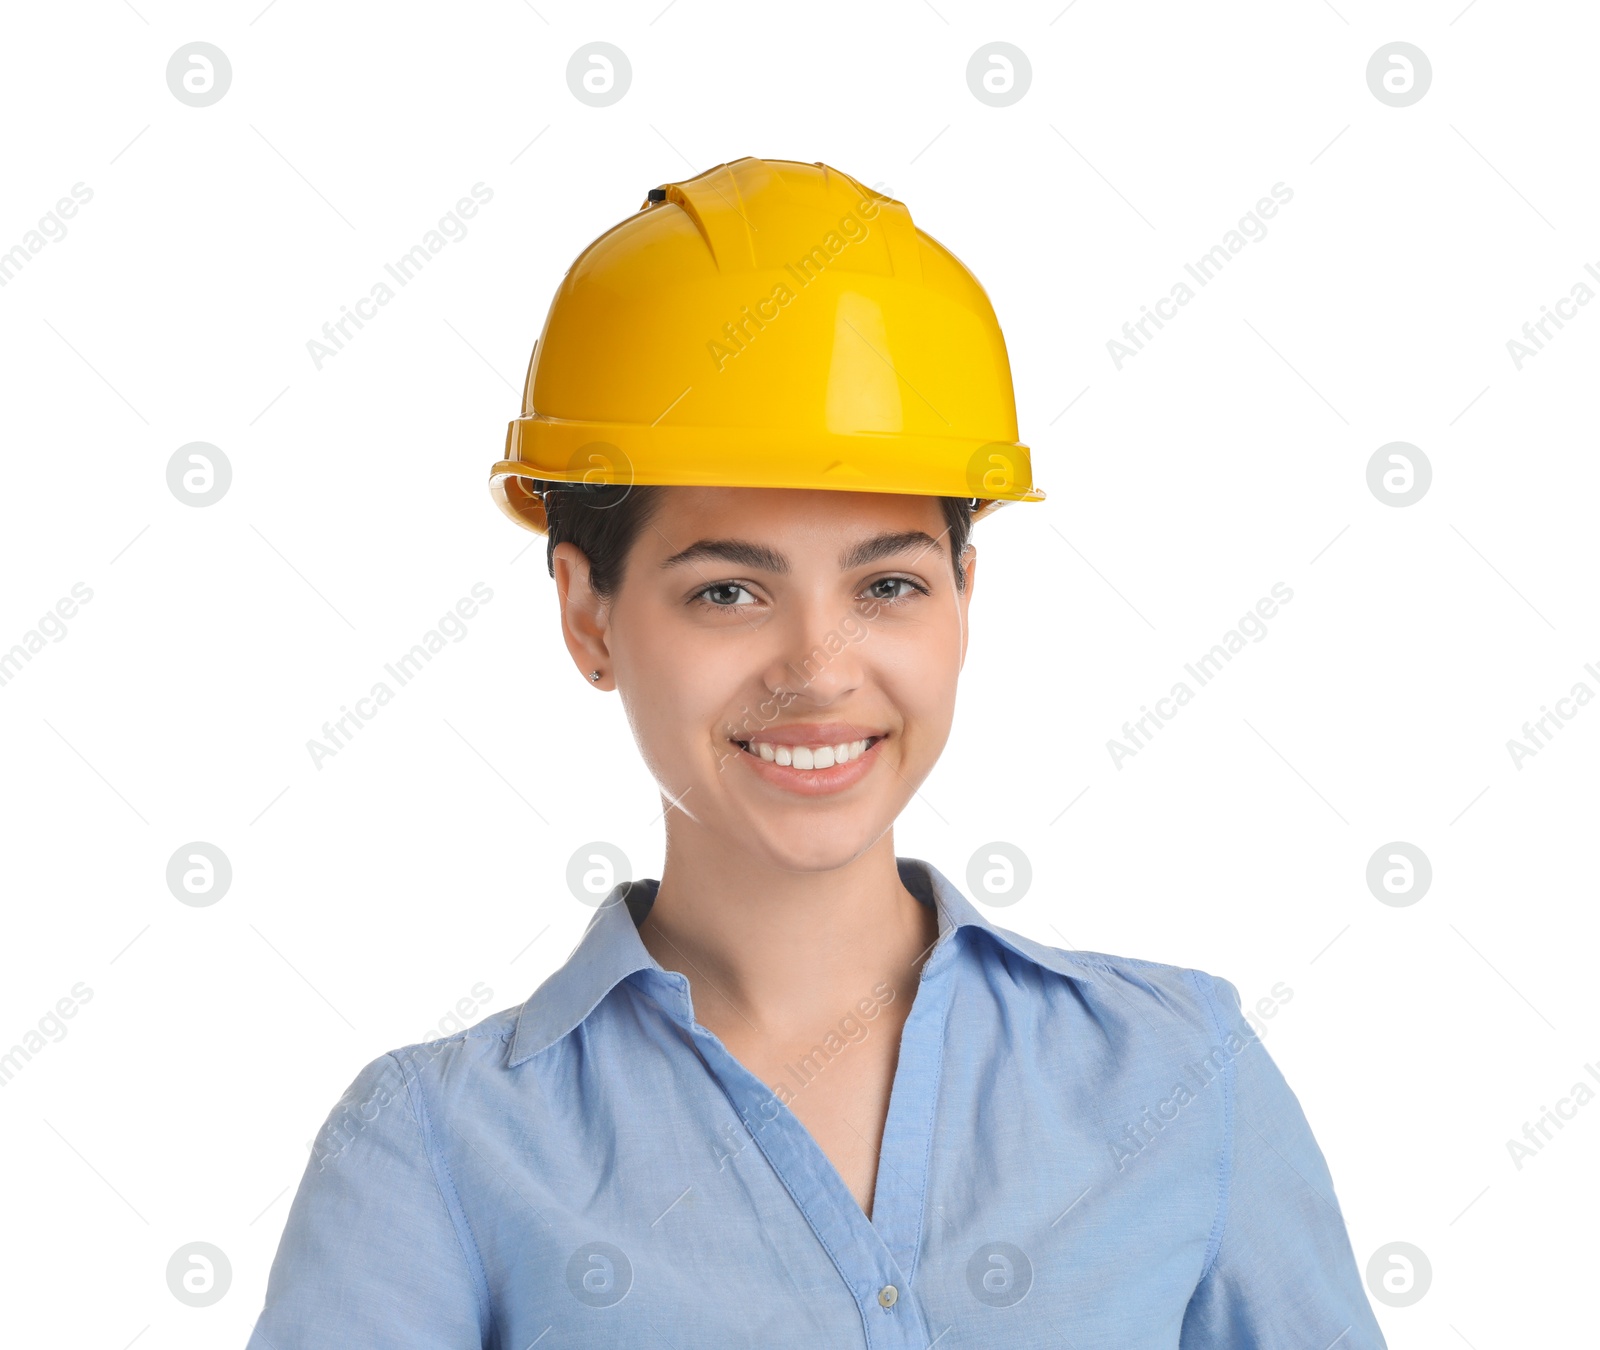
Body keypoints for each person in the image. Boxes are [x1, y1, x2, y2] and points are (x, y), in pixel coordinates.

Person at [245, 157, 1387, 1347]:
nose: (819, 668)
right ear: (588, 614)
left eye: (887, 584)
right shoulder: (437, 1153)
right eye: (728, 590)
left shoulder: (1181, 1080)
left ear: (963, 593)